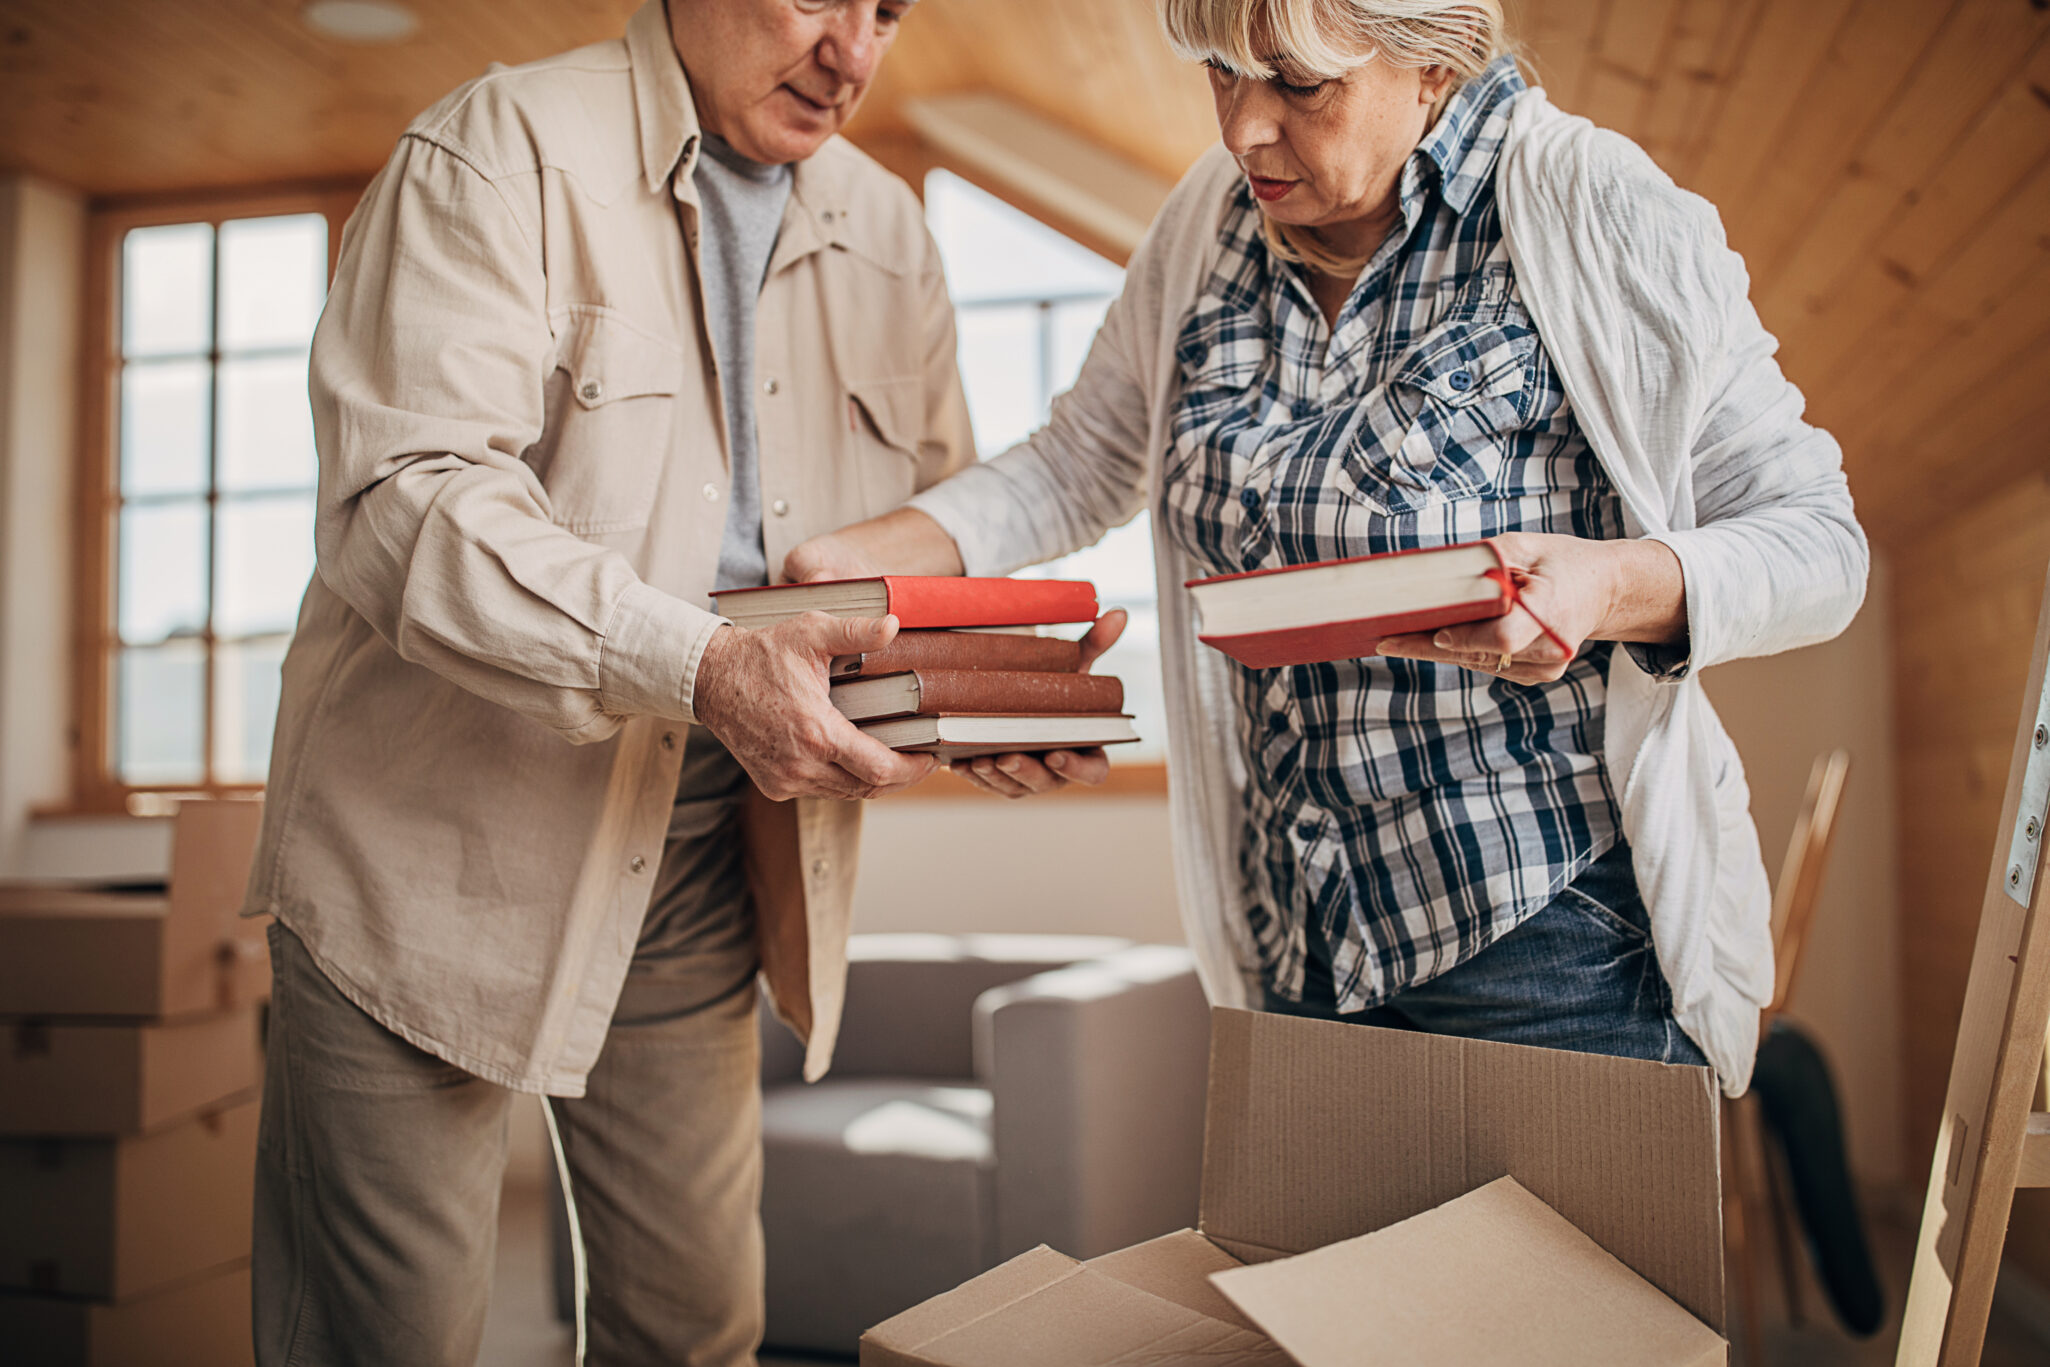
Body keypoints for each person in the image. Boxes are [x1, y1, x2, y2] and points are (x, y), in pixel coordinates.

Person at [789, 0, 1868, 1095]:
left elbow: (1819, 543)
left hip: (1552, 948)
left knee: (1557, 1278)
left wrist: (1612, 584)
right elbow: (1077, 462)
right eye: (1218, 72)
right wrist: (862, 561)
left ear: (1432, 66)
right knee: (1300, 1274)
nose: (1242, 130)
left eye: (1299, 83)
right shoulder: (1202, 229)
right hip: (1296, 946)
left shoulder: (1592, 206)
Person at [241, 2, 971, 1363]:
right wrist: (698, 662)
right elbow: (407, 501)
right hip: (418, 854)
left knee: (697, 1323)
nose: (854, 56)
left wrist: (966, 700)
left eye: (889, 10)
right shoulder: (497, 150)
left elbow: (920, 529)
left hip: (696, 857)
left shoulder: (888, 231)